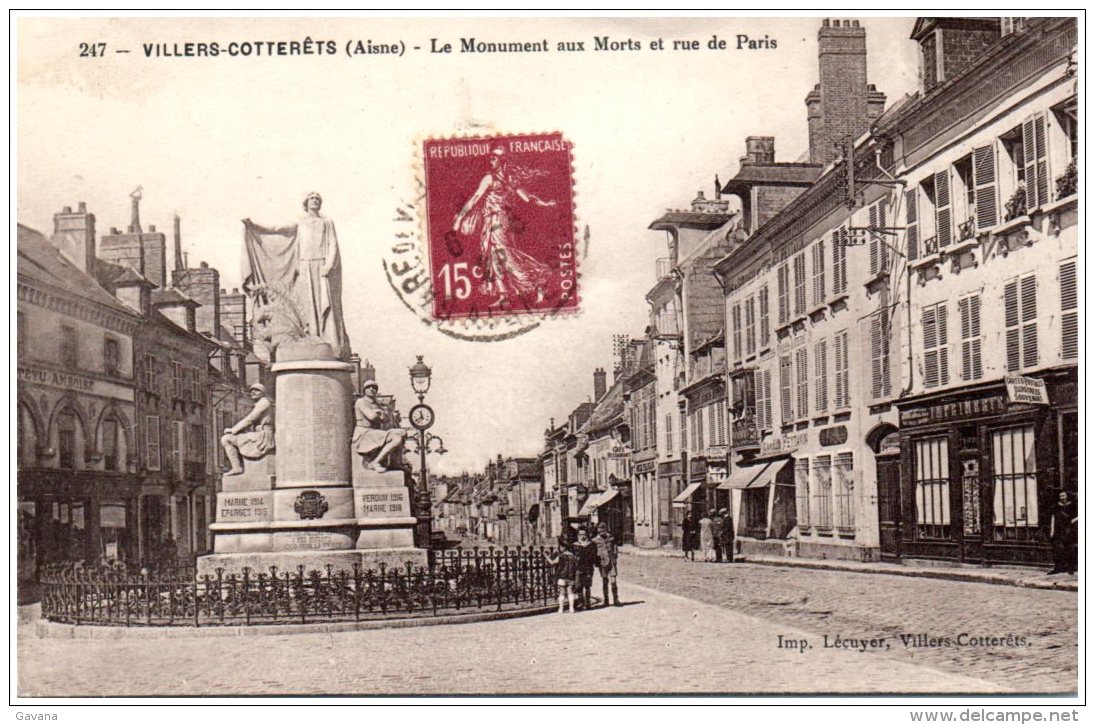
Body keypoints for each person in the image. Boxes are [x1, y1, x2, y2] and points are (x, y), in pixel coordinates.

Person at [242, 192, 351, 360]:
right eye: (311, 198)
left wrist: (329, 265)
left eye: (317, 198)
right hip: (305, 265)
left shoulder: (327, 222)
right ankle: (311, 335)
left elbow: (333, 244)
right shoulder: (300, 223)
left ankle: (327, 338)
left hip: (321, 266)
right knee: (306, 304)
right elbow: (276, 228)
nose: (314, 200)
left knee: (325, 303)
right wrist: (254, 226)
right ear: (306, 203)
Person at [452, 147, 555, 309]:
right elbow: (526, 198)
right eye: (491, 157)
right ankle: (504, 296)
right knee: (492, 256)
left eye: (495, 157)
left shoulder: (494, 178)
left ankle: (536, 282)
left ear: (502, 160)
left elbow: (475, 199)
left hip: (497, 220)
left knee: (504, 254)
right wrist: (544, 203)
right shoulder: (506, 178)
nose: (491, 160)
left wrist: (459, 219)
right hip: (494, 220)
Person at [352, 380, 408, 472]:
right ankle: (375, 462)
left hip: (375, 432)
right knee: (396, 439)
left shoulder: (377, 403)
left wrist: (379, 413)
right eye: (369, 387)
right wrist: (380, 413)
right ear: (364, 390)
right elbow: (372, 417)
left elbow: (386, 420)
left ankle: (395, 463)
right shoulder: (360, 402)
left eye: (374, 388)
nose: (372, 389)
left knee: (402, 432)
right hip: (364, 433)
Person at [220, 383, 275, 475]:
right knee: (231, 439)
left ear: (263, 392)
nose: (252, 392)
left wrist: (234, 430)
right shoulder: (261, 403)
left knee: (226, 439)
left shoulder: (264, 403)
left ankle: (236, 467)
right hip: (260, 434)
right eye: (251, 390)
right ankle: (237, 467)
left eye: (256, 390)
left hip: (263, 436)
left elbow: (251, 418)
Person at [544, 538, 578, 614]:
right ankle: (571, 608)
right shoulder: (573, 556)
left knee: (562, 592)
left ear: (563, 547)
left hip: (562, 576)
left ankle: (561, 608)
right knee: (570, 592)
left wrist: (546, 556)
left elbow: (552, 563)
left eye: (560, 547)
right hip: (571, 576)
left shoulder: (561, 556)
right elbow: (576, 565)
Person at [1048, 491, 1078, 575]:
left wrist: (1073, 520)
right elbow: (1053, 518)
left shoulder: (1072, 505)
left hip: (1069, 530)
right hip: (1059, 531)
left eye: (1064, 495)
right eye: (1060, 496)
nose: (1062, 497)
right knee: (1058, 549)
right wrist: (1052, 531)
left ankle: (1071, 568)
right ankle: (1057, 568)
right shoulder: (1056, 507)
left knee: (1070, 549)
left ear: (1067, 496)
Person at [571, 527, 599, 610]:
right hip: (578, 568)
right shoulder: (574, 545)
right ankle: (580, 602)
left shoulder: (591, 545)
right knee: (579, 586)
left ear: (587, 535)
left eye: (584, 534)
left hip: (588, 568)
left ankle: (587, 603)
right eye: (580, 534)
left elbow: (593, 556)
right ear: (577, 535)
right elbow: (572, 557)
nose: (582, 536)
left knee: (587, 586)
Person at [594, 522, 621, 607]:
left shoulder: (611, 538)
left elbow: (615, 549)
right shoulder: (595, 540)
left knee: (613, 582)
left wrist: (615, 558)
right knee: (605, 582)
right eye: (599, 530)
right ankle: (606, 600)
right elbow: (593, 553)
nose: (601, 531)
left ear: (606, 529)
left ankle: (616, 599)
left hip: (611, 562)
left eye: (603, 529)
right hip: (602, 563)